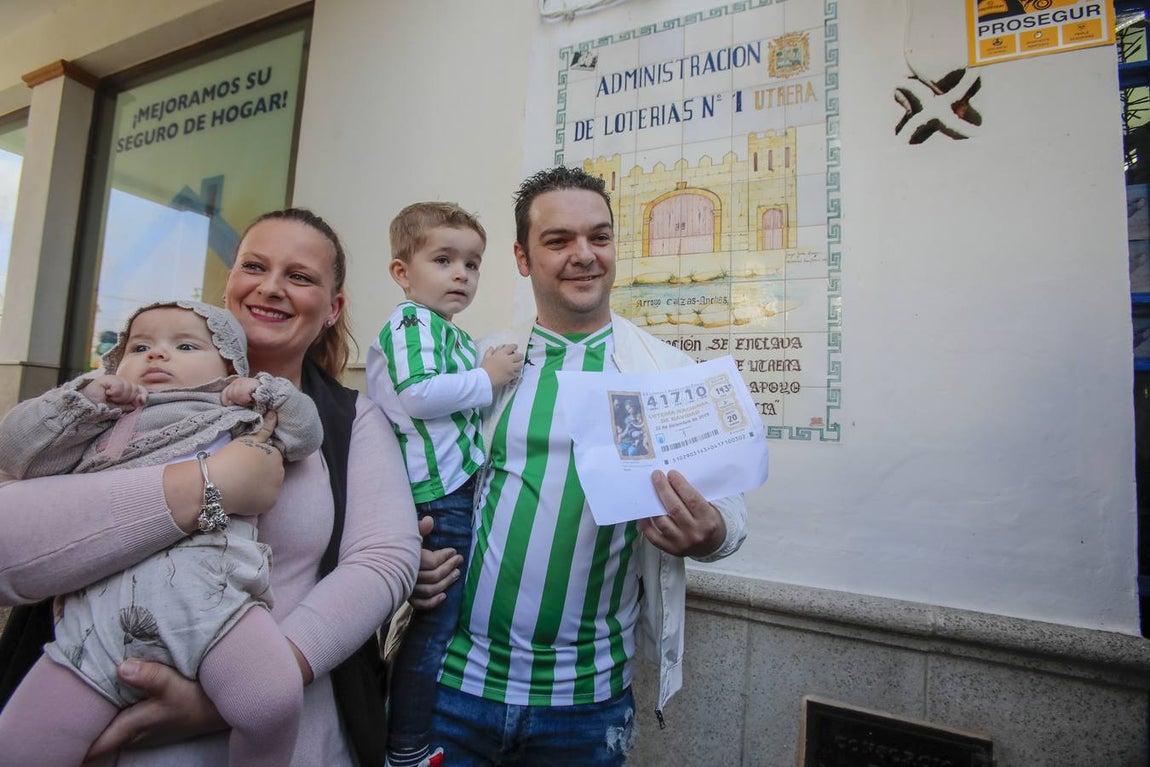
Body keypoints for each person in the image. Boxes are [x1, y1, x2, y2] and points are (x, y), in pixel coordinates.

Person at [0, 208, 421, 766]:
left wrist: (239, 692)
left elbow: (384, 559)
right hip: (99, 695)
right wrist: (210, 487)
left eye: (299, 276)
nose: (271, 287)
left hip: (295, 736)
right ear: (229, 289)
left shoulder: (346, 420)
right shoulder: (121, 398)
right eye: (255, 266)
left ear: (332, 309)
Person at [414, 167, 748, 766]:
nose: (584, 256)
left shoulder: (663, 372)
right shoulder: (481, 363)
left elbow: (728, 516)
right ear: (522, 257)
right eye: (559, 240)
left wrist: (710, 532)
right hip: (453, 688)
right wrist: (403, 554)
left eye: (599, 237)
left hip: (587, 706)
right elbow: (419, 473)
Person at [0, 299, 322, 767]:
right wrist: (82, 398)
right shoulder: (101, 421)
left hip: (216, 604)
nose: (156, 355)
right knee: (22, 746)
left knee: (272, 700)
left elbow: (304, 434)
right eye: (139, 346)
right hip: (100, 619)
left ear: (229, 367)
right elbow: (18, 456)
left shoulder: (234, 416)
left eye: (185, 345)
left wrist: (264, 392)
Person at [366, 202, 523, 767]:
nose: (462, 274)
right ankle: (405, 747)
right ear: (402, 273)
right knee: (432, 627)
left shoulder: (447, 331)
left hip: (452, 490)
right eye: (444, 259)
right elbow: (417, 395)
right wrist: (487, 377)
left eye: (473, 264)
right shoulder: (410, 322)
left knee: (438, 621)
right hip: (433, 494)